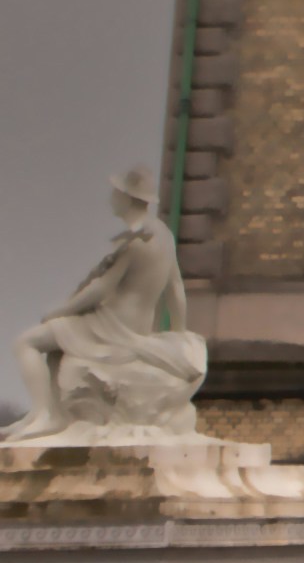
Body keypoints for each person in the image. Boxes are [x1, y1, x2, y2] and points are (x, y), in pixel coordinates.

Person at [15, 168, 202, 441]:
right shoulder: (163, 235)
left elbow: (100, 289)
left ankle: (45, 414)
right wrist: (179, 332)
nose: (111, 198)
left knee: (26, 342)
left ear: (128, 198)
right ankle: (48, 415)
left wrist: (61, 310)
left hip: (111, 325)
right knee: (57, 347)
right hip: (134, 324)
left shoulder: (135, 241)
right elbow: (175, 289)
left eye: (117, 193)